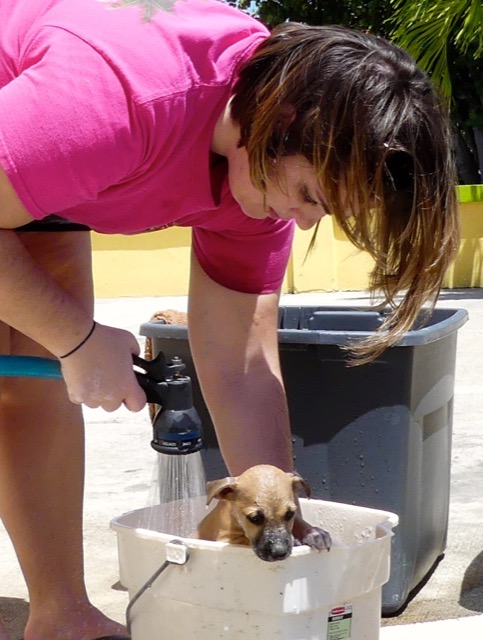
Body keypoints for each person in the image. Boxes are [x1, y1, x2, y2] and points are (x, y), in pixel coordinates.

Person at [0, 0, 459, 638]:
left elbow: (240, 360)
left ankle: (60, 615)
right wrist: (74, 338)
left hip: (47, 164)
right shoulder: (123, 97)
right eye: (309, 197)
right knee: (57, 337)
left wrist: (283, 523)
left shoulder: (259, 167)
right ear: (285, 117)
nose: (300, 223)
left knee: (37, 376)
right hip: (32, 104)